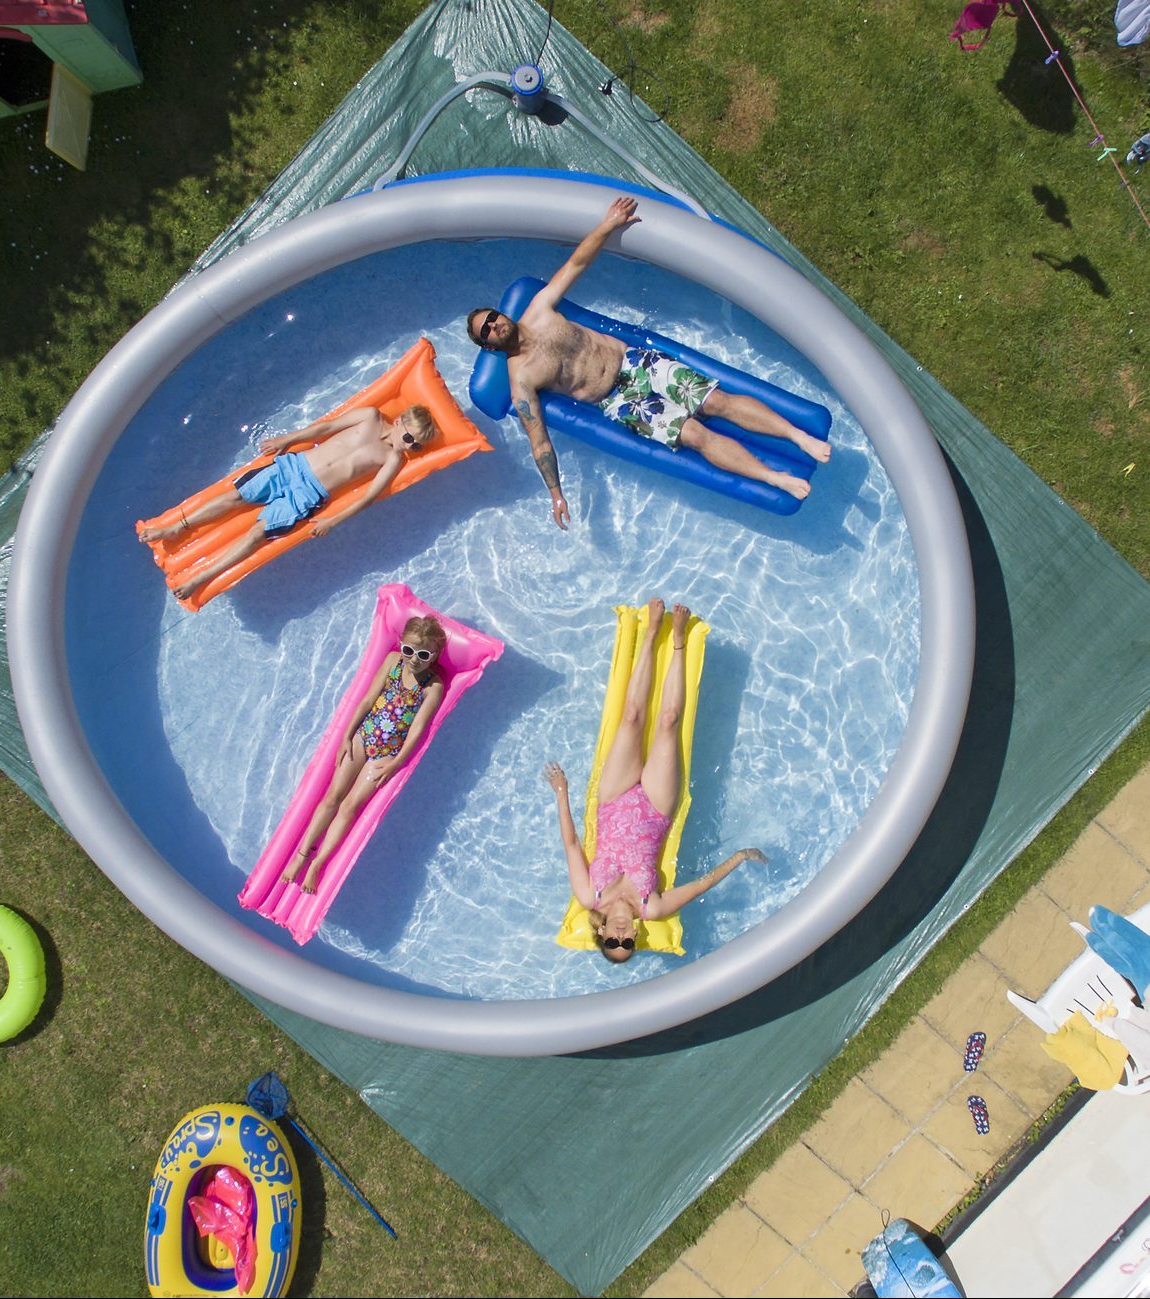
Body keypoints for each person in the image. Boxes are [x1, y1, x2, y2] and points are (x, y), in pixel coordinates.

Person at [466, 196, 830, 529]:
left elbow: (576, 263)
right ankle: (773, 477)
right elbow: (539, 441)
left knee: (715, 401)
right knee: (693, 434)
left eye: (493, 317)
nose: (495, 324)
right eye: (487, 330)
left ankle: (798, 436)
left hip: (636, 361)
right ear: (489, 346)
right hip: (618, 401)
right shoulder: (522, 379)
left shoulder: (540, 310)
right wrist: (555, 492)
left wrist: (608, 225)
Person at [543, 598, 766, 962]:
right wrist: (740, 856)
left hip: (614, 799)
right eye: (627, 945)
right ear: (634, 936)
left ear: (600, 933)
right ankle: (677, 642)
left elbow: (571, 845)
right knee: (669, 722)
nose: (620, 940)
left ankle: (648, 636)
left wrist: (562, 792)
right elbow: (702, 884)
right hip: (656, 809)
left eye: (610, 944)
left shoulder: (590, 897)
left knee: (631, 717)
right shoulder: (653, 909)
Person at [137, 405, 439, 601]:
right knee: (235, 497)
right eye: (410, 437)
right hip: (292, 466)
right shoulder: (371, 417)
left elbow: (370, 495)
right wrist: (289, 439)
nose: (411, 446)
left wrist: (333, 520)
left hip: (308, 495)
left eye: (417, 445)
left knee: (256, 535)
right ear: (399, 420)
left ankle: (200, 577)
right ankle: (176, 527)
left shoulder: (392, 458)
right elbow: (326, 428)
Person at [282, 616, 447, 894]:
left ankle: (317, 864)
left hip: (387, 753)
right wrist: (347, 735)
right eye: (409, 650)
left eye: (423, 654)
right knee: (332, 797)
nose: (414, 659)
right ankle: (300, 856)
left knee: (349, 807)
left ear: (435, 655)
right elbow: (368, 700)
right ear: (401, 645)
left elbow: (417, 728)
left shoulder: (434, 686)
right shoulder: (394, 662)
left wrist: (396, 763)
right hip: (364, 736)